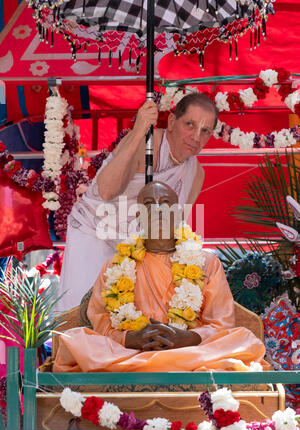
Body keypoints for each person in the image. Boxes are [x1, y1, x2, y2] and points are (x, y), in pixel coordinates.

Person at [53, 181, 269, 373]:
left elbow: (221, 324)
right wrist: (130, 338)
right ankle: (160, 363)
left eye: (165, 203)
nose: (157, 210)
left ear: (178, 214)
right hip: (131, 352)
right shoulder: (115, 265)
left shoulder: (207, 263)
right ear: (138, 217)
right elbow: (101, 323)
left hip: (189, 351)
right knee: (76, 341)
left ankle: (160, 362)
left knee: (244, 340)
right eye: (148, 204)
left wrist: (187, 338)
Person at [56, 93, 219, 313]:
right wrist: (139, 130)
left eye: (205, 130)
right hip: (95, 235)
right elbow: (106, 191)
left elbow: (176, 227)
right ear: (171, 121)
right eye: (190, 124)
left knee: (129, 326)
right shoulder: (145, 143)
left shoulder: (195, 173)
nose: (196, 137)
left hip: (138, 252)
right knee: (86, 316)